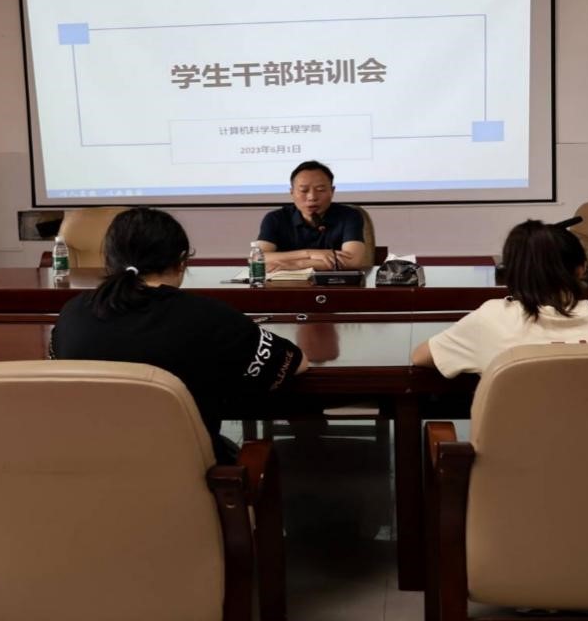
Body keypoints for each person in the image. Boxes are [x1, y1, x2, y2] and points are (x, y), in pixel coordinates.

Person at [51, 207, 307, 462]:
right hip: (185, 475)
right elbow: (294, 362)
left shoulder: (72, 314)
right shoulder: (209, 316)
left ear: (109, 259)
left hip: (85, 471)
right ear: (182, 261)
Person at [411, 219, 588, 377]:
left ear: (510, 271)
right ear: (581, 269)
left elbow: (421, 357)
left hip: (516, 454)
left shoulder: (491, 319)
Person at [255, 160, 366, 271]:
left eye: (320, 190)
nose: (312, 197)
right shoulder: (275, 218)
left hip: (333, 282)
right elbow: (257, 258)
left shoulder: (349, 216)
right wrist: (309, 253)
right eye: (304, 190)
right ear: (292, 192)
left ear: (332, 191)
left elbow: (353, 261)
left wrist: (297, 265)